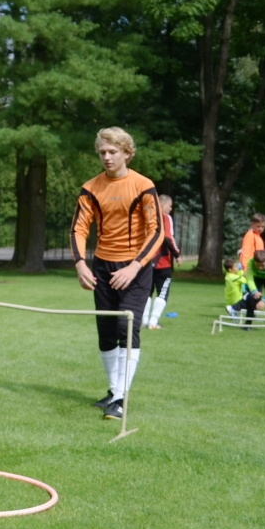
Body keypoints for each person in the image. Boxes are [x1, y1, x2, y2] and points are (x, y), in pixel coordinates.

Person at [71, 127, 163, 420]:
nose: (107, 157)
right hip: (102, 266)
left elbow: (156, 230)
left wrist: (135, 265)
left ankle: (121, 398)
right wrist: (81, 263)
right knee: (107, 333)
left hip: (136, 267)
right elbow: (79, 228)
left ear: (127, 152)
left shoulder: (143, 185)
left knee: (127, 327)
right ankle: (114, 392)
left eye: (113, 152)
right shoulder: (90, 188)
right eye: (102, 152)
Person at [143, 194, 180, 329]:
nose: (170, 209)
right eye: (170, 206)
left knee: (147, 291)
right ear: (163, 205)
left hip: (145, 261)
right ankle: (153, 322)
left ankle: (144, 321)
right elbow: (168, 238)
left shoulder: (146, 216)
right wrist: (177, 254)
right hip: (162, 262)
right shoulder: (165, 218)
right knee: (163, 291)